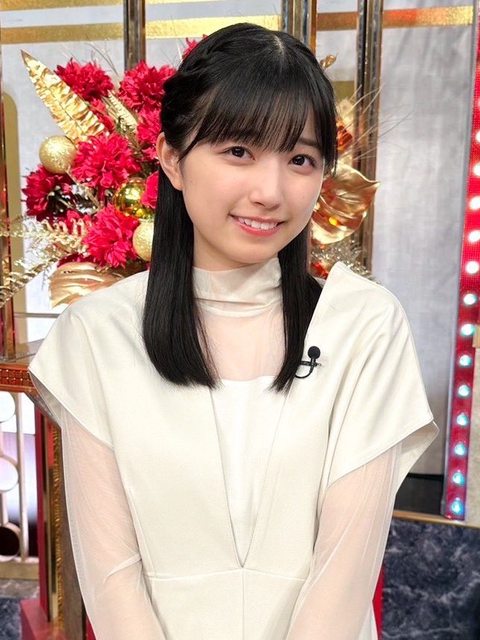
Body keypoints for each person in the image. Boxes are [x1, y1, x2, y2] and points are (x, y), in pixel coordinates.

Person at [28, 22, 438, 640]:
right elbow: (111, 579)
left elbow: (345, 572)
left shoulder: (365, 326)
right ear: (172, 159)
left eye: (299, 160)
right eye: (239, 151)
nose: (270, 192)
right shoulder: (95, 335)